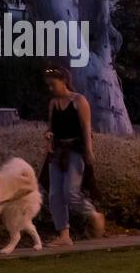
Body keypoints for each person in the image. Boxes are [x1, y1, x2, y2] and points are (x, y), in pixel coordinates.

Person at [44, 67, 104, 247]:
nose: (50, 89)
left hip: (75, 150)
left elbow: (87, 128)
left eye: (52, 84)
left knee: (70, 192)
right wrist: (48, 135)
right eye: (48, 86)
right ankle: (64, 235)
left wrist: (89, 151)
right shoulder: (53, 103)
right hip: (57, 152)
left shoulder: (79, 101)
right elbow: (51, 127)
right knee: (55, 195)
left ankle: (93, 214)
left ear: (63, 81)